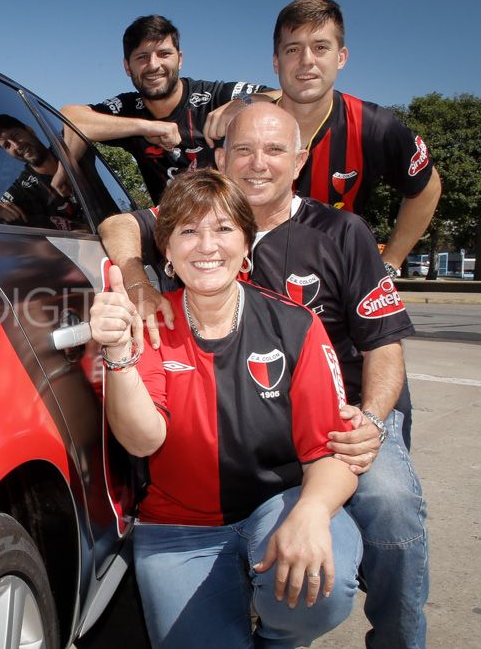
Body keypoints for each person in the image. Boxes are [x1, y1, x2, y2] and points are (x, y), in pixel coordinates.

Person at [100, 102, 429, 648]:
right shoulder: (194, 218)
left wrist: (368, 422)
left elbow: (384, 344)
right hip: (195, 498)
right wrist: (134, 281)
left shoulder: (340, 233)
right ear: (221, 157)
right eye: (244, 149)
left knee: (390, 506)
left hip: (345, 411)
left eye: (274, 150)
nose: (258, 163)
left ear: (299, 160)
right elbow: (117, 222)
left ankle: (397, 639)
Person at [90, 170, 361, 647]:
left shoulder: (295, 325)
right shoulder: (150, 322)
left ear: (247, 246)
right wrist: (118, 354)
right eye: (188, 231)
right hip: (177, 525)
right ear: (167, 253)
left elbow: (332, 451)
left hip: (275, 506)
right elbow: (141, 439)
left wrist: (311, 512)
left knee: (322, 590)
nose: (206, 245)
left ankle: (277, 640)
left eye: (223, 229)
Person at [272, 0, 441, 278]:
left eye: (321, 47)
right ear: (276, 62)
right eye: (292, 49)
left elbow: (427, 187)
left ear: (341, 57)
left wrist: (389, 263)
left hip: (337, 289)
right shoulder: (247, 123)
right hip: (254, 288)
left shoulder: (373, 125)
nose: (306, 61)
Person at [60, 15, 270, 202]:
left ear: (180, 59)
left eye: (163, 54)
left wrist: (245, 102)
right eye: (142, 57)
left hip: (231, 217)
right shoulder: (129, 107)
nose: (153, 65)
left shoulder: (213, 95)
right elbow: (71, 116)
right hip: (172, 229)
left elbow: (280, 94)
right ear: (127, 66)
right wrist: (147, 127)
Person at [0, 114, 86, 230]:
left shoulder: (69, 148)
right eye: (7, 145)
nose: (16, 145)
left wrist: (62, 172)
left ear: (30, 130)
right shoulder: (23, 188)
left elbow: (78, 121)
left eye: (15, 135)